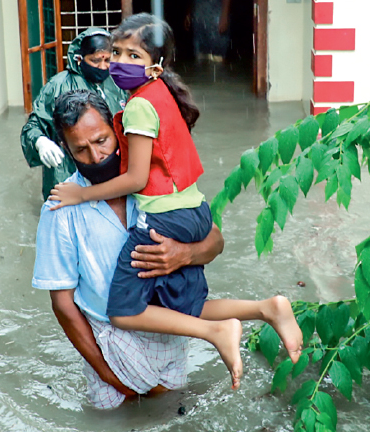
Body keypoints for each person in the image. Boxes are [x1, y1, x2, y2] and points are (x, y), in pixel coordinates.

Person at [48, 14, 302, 389]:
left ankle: (217, 333)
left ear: (156, 66)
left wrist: (82, 194)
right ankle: (265, 308)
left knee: (122, 310)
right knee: (185, 308)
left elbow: (139, 182)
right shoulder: (160, 96)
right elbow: (63, 304)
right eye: (115, 52)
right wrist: (109, 377)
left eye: (102, 140)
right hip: (191, 209)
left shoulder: (136, 112)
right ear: (65, 149)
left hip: (165, 219)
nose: (95, 154)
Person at [20, 28, 127, 201]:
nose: (102, 67)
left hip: (111, 169)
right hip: (68, 173)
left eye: (107, 60)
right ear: (79, 58)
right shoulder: (57, 86)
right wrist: (40, 142)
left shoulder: (116, 82)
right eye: (95, 61)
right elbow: (33, 126)